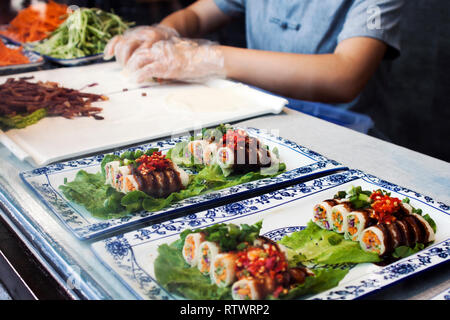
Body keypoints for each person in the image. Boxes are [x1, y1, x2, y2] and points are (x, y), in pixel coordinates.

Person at [104, 0, 403, 107]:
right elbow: (196, 15)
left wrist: (211, 58)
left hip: (338, 129)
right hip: (255, 112)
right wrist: (164, 31)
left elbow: (344, 76)